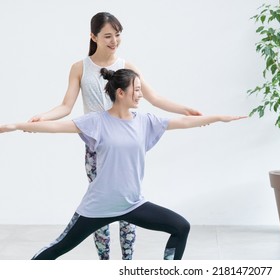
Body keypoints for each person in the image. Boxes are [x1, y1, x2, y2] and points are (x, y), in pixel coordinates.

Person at [0, 68, 246, 260]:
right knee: (58, 248)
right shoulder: (96, 121)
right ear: (121, 93)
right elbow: (55, 127)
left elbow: (183, 123)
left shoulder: (146, 121)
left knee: (181, 226)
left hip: (132, 204)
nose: (140, 94)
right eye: (136, 90)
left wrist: (218, 118)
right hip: (97, 207)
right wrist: (16, 125)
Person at [29, 12, 202, 260]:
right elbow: (66, 106)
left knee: (128, 206)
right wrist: (43, 117)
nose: (114, 41)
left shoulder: (126, 65)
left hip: (125, 143)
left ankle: (127, 263)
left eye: (118, 35)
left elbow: (154, 97)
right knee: (101, 211)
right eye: (108, 36)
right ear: (93, 36)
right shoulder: (80, 67)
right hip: (97, 147)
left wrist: (184, 110)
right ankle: (105, 263)